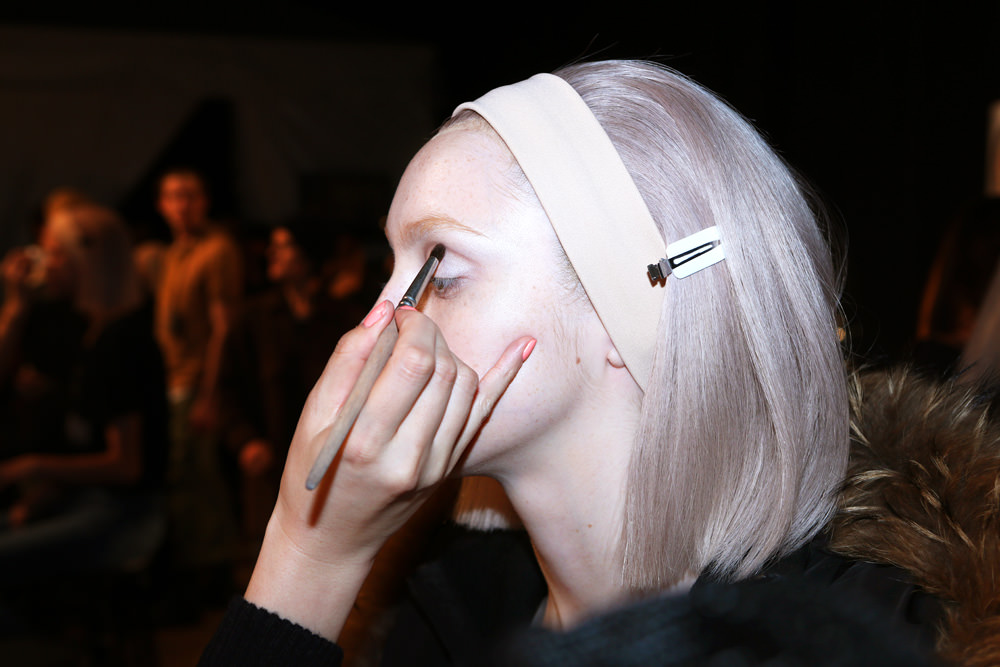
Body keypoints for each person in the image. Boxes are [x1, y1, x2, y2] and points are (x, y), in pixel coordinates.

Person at [201, 61, 948, 665]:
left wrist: (311, 552)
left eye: (440, 272)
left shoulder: (848, 644)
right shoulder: (443, 617)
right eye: (388, 269)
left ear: (631, 308)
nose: (379, 320)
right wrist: (308, 552)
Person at [0, 202, 168, 578]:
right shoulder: (91, 330)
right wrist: (46, 493)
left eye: (56, 253)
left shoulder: (122, 339)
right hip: (88, 501)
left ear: (86, 260)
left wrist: (32, 466)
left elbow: (126, 465)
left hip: (124, 514)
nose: (47, 265)